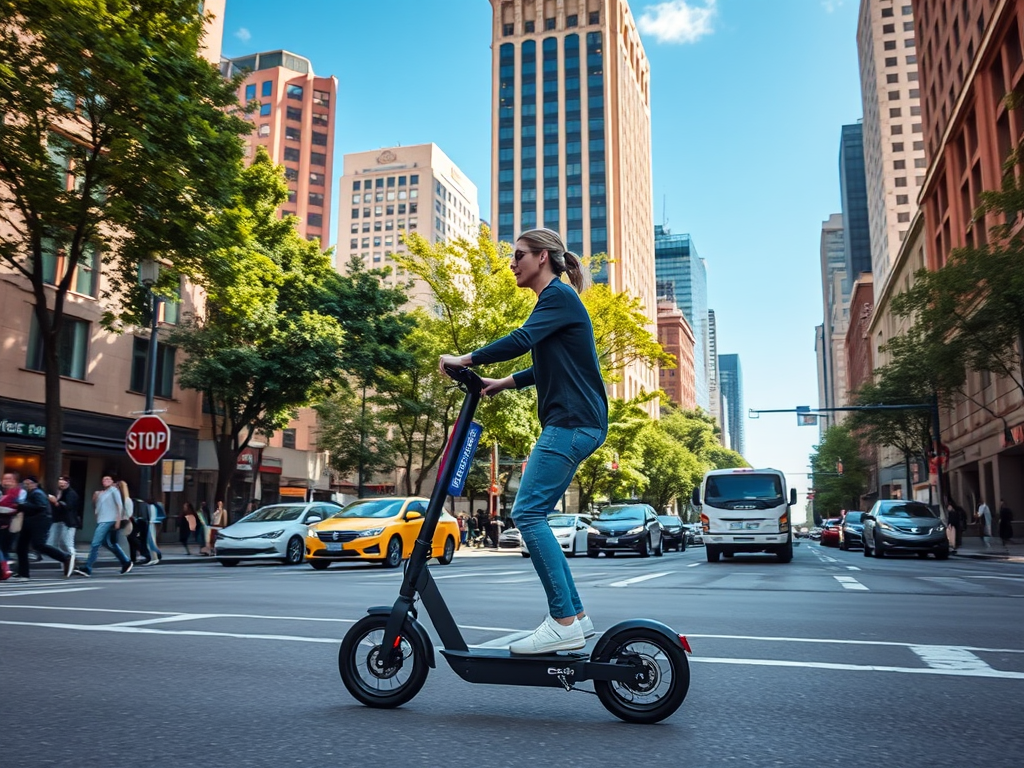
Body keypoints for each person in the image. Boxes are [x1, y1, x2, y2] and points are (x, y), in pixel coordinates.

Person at [439, 227, 607, 655]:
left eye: (519, 255)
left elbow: (521, 340)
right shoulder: (557, 304)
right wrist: (499, 383)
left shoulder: (557, 297)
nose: (512, 263)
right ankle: (578, 617)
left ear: (544, 258)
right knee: (534, 514)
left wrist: (466, 358)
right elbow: (544, 365)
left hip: (571, 423)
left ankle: (563, 621)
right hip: (578, 422)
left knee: (528, 514)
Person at [15, 476, 76, 580]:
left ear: (35, 484)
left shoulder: (37, 493)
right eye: (25, 483)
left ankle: (65, 557)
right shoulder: (29, 493)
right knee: (21, 547)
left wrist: (23, 505)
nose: (26, 485)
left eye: (28, 483)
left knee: (38, 545)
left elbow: (41, 506)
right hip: (29, 522)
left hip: (38, 522)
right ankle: (23, 573)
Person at [75, 474, 132, 577]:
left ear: (112, 481)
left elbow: (119, 505)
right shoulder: (101, 493)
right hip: (102, 521)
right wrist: (95, 498)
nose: (106, 480)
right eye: (104, 479)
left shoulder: (114, 490)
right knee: (108, 543)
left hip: (109, 520)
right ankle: (125, 561)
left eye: (108, 479)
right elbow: (95, 507)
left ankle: (87, 568)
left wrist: (118, 520)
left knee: (95, 544)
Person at [47, 475, 81, 559]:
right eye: (60, 482)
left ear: (67, 483)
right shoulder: (61, 492)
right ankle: (66, 561)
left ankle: (72, 561)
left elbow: (68, 507)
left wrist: (56, 502)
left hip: (69, 522)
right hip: (61, 521)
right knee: (59, 544)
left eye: (63, 482)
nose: (61, 484)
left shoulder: (71, 494)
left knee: (68, 544)